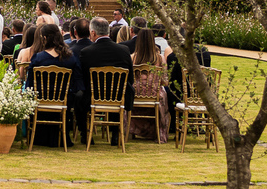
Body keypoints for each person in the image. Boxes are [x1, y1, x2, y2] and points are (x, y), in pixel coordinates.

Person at [23, 22, 82, 147]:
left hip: (40, 99)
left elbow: (30, 84)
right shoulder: (70, 58)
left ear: (44, 38)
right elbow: (78, 81)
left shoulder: (38, 58)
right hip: (63, 100)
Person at [78, 17, 134, 147]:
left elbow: (84, 77)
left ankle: (86, 133)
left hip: (94, 95)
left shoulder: (86, 52)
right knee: (116, 90)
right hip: (120, 95)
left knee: (79, 96)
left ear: (93, 33)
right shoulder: (124, 50)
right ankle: (115, 133)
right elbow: (130, 77)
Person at [128, 27, 168, 143]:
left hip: (136, 95)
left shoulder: (132, 58)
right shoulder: (160, 58)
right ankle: (158, 132)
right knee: (164, 94)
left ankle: (133, 130)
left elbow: (129, 79)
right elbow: (165, 81)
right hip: (154, 95)